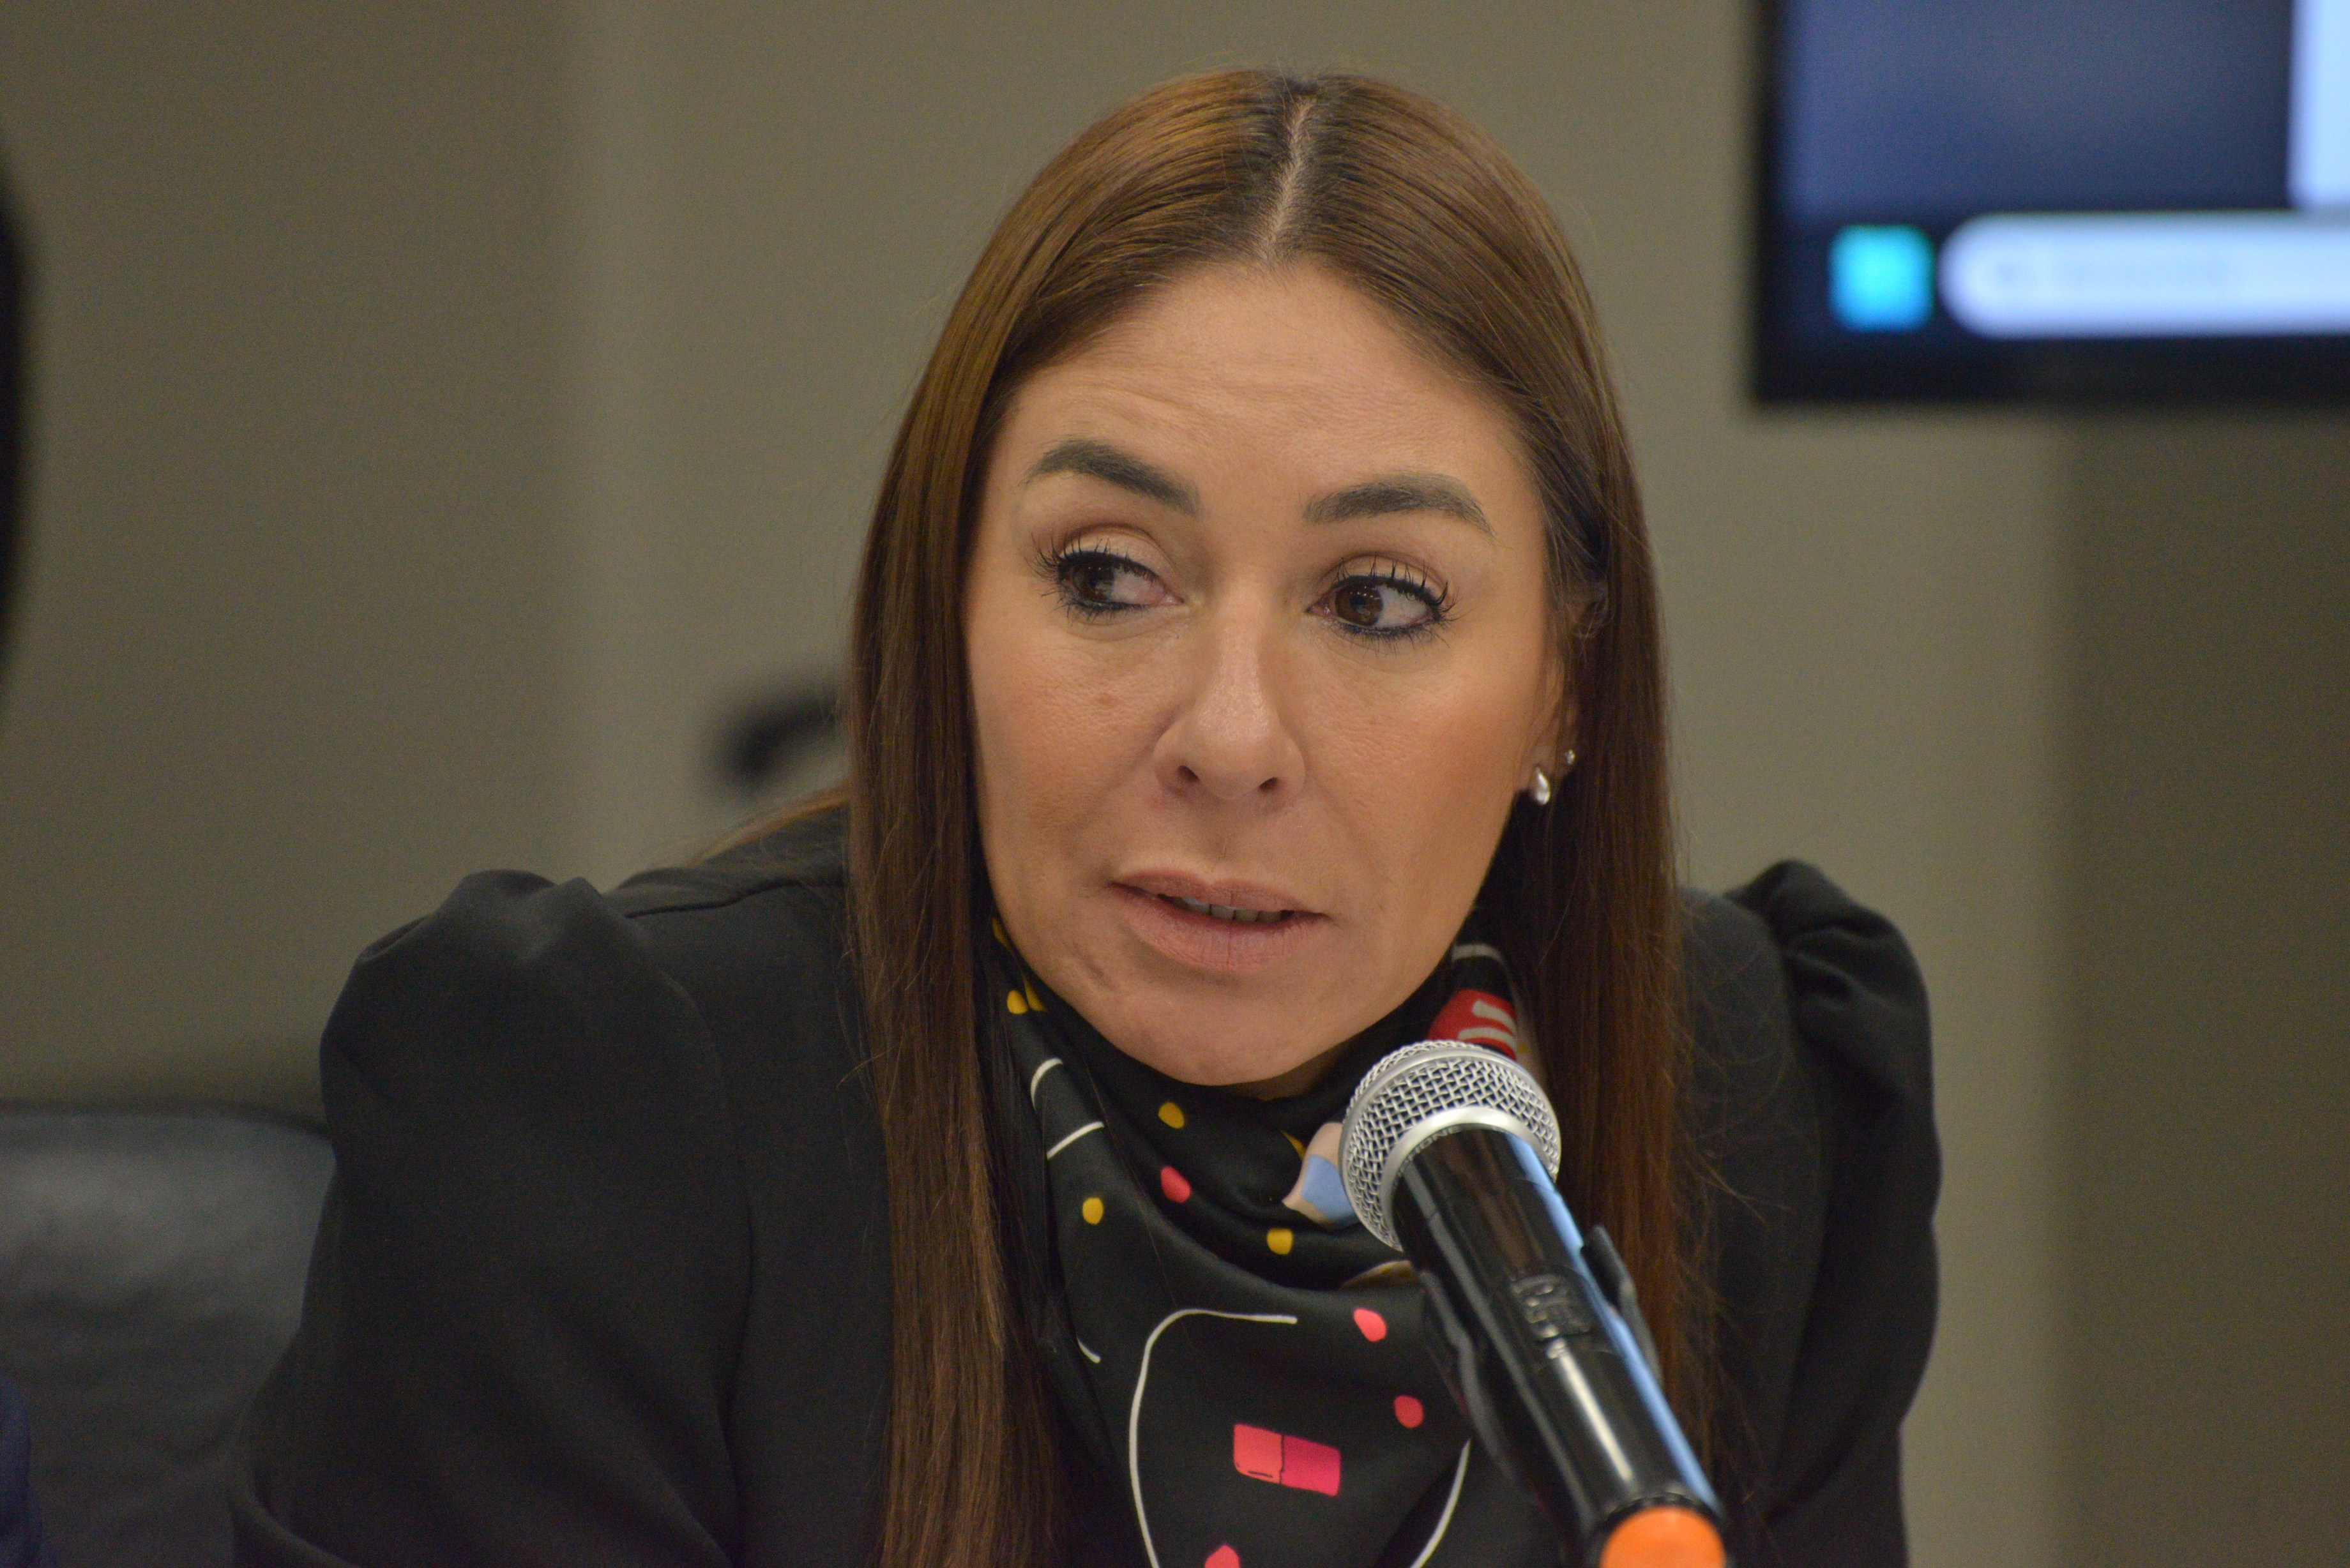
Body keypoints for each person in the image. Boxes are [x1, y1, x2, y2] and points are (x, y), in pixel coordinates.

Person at [232, 70, 1936, 1568]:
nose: (1232, 739)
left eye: (1379, 600)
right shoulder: (599, 1109)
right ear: (944, 613)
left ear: (1564, 682)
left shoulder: (1758, 1099)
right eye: (1110, 576)